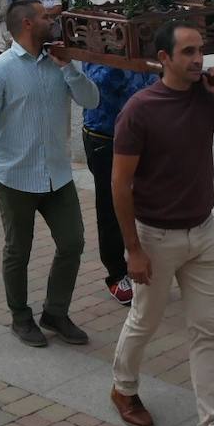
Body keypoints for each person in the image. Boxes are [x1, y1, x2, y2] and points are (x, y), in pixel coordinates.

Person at [108, 21, 214, 426]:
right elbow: (120, 186)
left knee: (207, 331)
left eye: (201, 50)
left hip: (203, 233)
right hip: (155, 236)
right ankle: (123, 386)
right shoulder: (140, 110)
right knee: (145, 319)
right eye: (189, 52)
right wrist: (133, 250)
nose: (199, 59)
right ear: (165, 59)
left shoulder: (207, 99)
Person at [0, 0, 99, 347]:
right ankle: (21, 318)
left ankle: (55, 312)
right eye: (44, 16)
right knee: (18, 251)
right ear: (27, 23)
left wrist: (70, 67)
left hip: (58, 176)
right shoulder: (1, 69)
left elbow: (92, 101)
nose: (51, 20)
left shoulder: (60, 60)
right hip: (15, 178)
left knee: (72, 242)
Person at [81, 62, 158, 305]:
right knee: (111, 204)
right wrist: (126, 62)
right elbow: (98, 85)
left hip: (144, 130)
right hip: (105, 130)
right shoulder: (101, 35)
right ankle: (116, 272)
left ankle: (151, 263)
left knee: (149, 199)